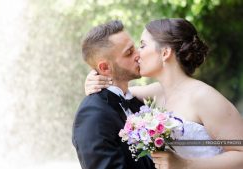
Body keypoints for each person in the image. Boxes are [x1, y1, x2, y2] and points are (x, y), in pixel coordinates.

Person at [84, 18, 243, 169]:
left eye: (143, 45)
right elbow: (118, 92)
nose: (137, 53)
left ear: (165, 53)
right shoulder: (154, 93)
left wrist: (186, 165)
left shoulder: (203, 97)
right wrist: (96, 79)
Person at [72, 20, 155, 169]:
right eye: (129, 53)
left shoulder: (138, 103)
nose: (138, 55)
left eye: (135, 48)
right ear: (105, 68)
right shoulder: (92, 115)